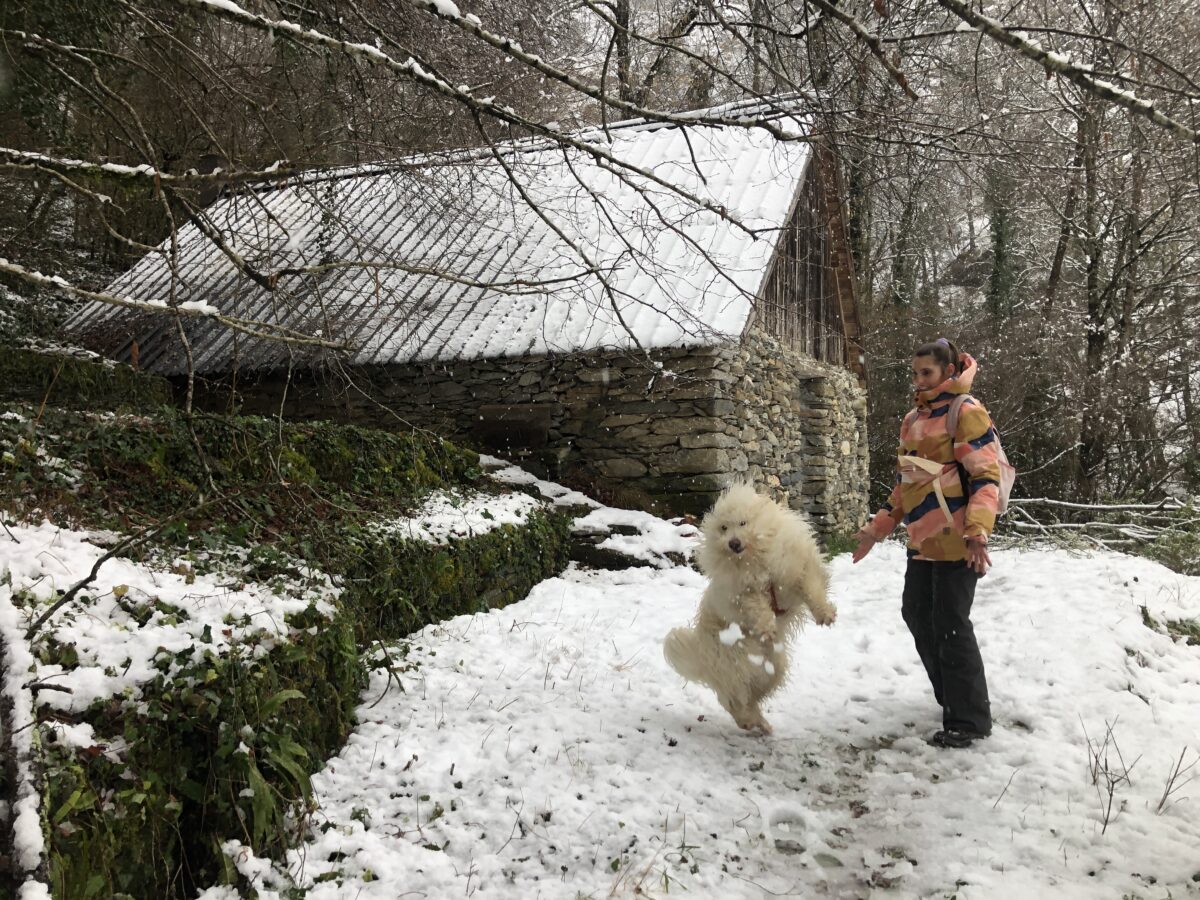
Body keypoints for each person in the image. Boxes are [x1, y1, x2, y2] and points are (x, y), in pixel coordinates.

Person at [852, 338, 1002, 749]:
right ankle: (953, 699)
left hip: (959, 539)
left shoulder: (965, 411)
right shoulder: (912, 419)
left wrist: (977, 532)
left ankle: (969, 720)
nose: (918, 381)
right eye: (914, 373)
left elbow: (986, 478)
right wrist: (875, 529)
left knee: (951, 623)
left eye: (927, 373)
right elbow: (906, 485)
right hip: (922, 538)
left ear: (949, 371)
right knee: (917, 613)